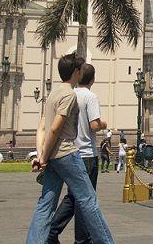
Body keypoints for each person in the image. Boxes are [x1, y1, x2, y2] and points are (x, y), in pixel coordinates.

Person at [25, 53, 115, 244]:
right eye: (80, 70)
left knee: (46, 204)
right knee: (88, 200)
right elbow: (55, 128)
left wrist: (43, 155)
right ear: (75, 72)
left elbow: (42, 127)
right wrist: (43, 158)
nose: (82, 73)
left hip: (53, 158)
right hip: (67, 154)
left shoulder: (52, 94)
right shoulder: (69, 95)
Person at [47, 63, 107, 244]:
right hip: (88, 154)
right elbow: (94, 125)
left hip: (71, 152)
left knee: (73, 197)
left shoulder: (70, 94)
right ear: (93, 79)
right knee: (86, 200)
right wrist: (104, 124)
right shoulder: (90, 96)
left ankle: (52, 230)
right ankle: (82, 240)